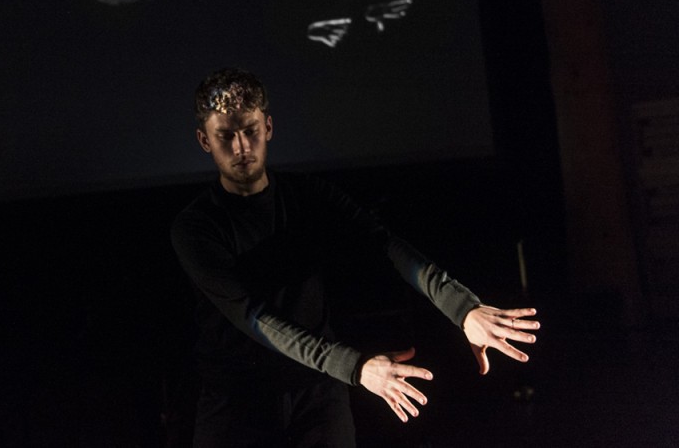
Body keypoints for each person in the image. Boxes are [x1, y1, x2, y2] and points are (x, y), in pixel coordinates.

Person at [170, 69, 540, 447]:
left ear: (268, 127)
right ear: (204, 140)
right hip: (236, 404)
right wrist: (357, 366)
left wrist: (462, 308)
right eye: (225, 136)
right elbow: (255, 317)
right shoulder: (195, 228)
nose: (241, 147)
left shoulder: (309, 196)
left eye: (249, 130)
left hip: (318, 396)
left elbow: (383, 244)